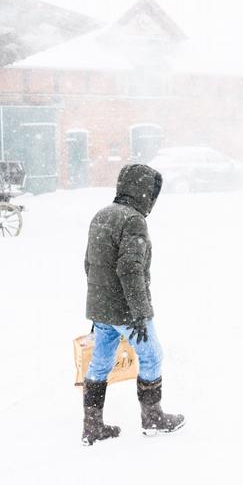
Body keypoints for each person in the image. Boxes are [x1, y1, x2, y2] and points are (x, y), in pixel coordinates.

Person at [81, 163, 185, 446]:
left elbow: (89, 264)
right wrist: (139, 313)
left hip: (101, 307)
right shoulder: (133, 220)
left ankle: (92, 426)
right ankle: (152, 417)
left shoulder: (101, 215)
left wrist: (98, 308)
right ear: (143, 192)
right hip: (126, 309)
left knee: (100, 363)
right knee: (152, 356)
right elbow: (130, 269)